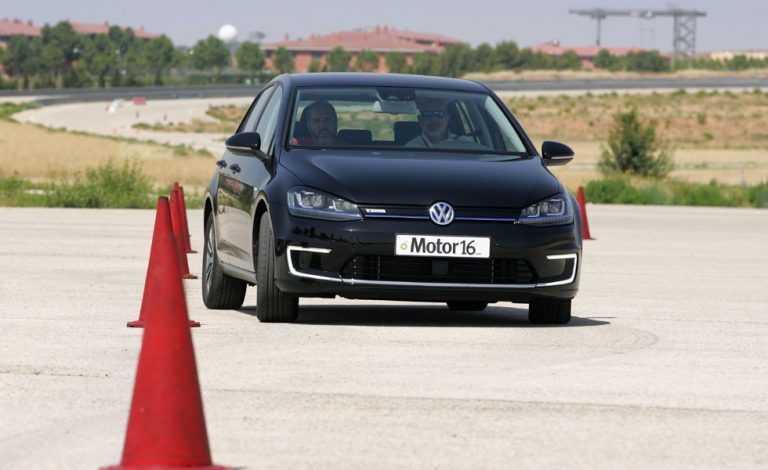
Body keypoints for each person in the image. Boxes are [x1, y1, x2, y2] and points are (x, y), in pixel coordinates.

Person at [406, 97, 474, 148]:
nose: (433, 119)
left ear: (447, 119)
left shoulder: (465, 143)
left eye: (439, 114)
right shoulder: (410, 148)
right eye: (427, 114)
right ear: (420, 120)